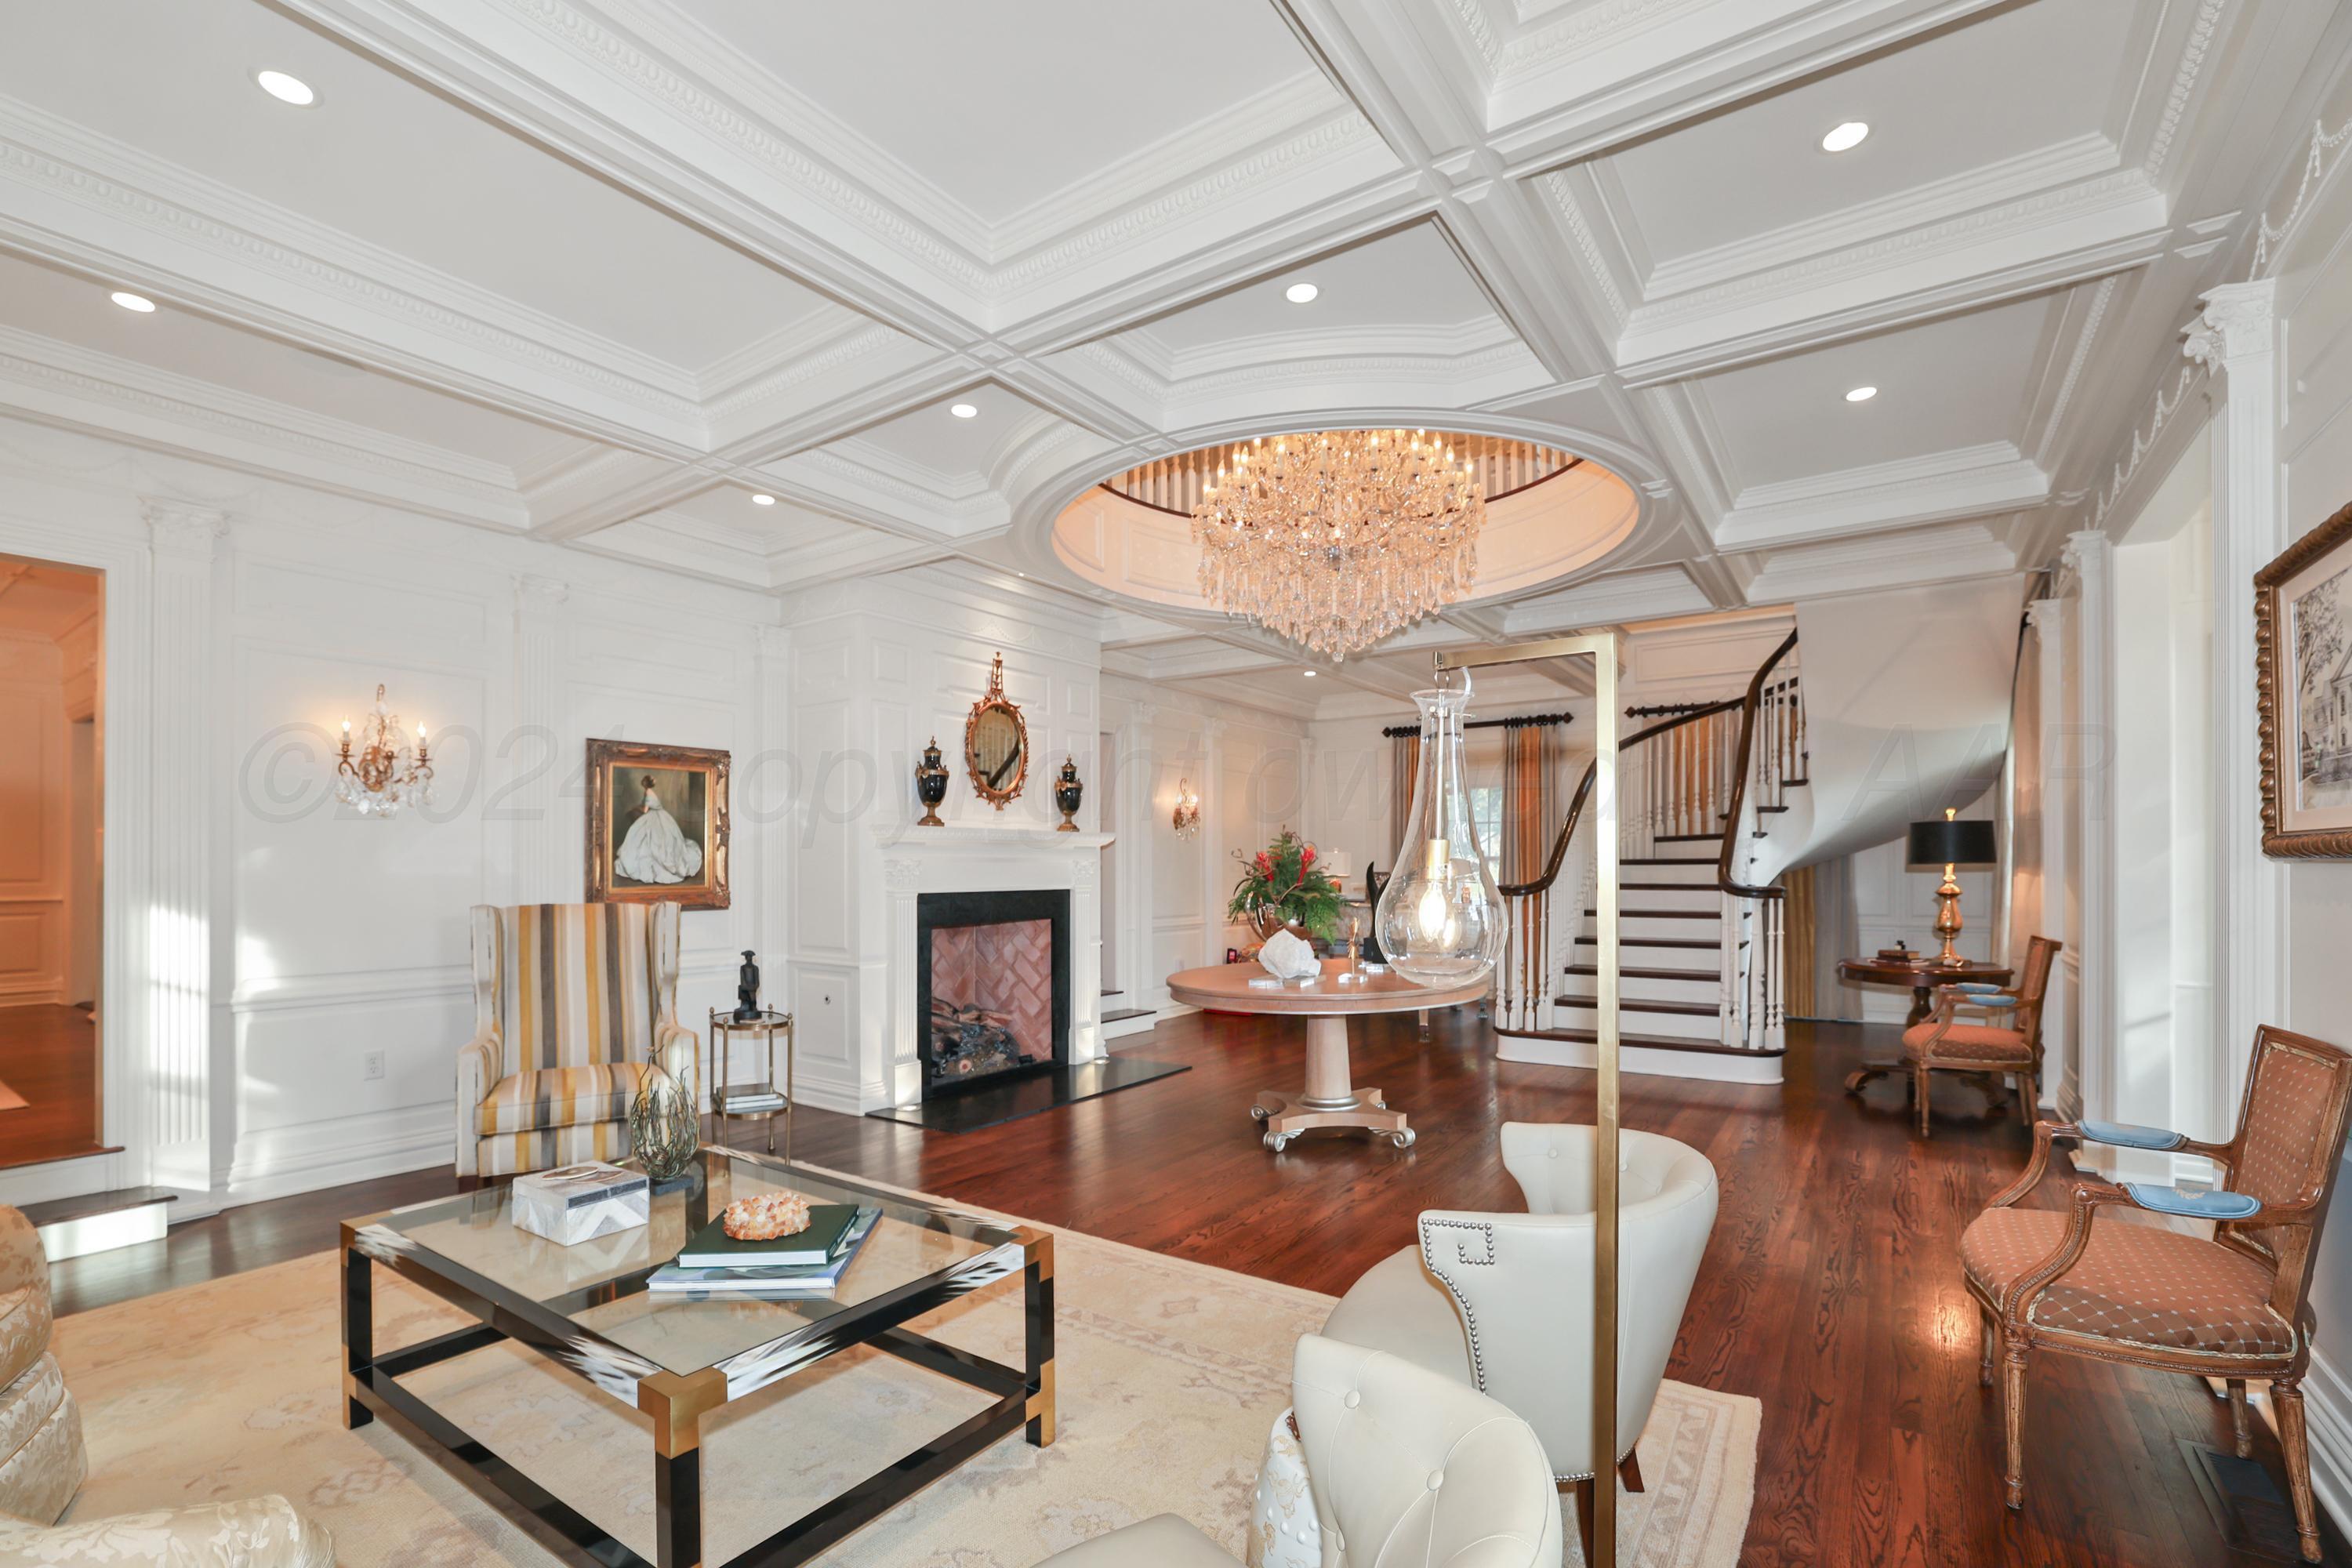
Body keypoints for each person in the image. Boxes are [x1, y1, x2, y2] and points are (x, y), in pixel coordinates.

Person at [615, 773, 703, 884]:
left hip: (654, 816)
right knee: (649, 838)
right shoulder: (652, 792)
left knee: (652, 839)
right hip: (660, 815)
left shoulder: (647, 792)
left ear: (645, 784)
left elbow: (645, 811)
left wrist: (636, 808)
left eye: (643, 783)